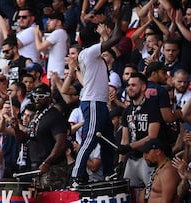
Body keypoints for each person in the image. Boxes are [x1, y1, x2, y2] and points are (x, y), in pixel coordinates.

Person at [71, 5, 123, 183]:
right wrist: (118, 17)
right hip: (93, 102)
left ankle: (108, 173)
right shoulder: (91, 52)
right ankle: (77, 176)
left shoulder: (90, 54)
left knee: (107, 140)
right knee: (91, 139)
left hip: (98, 102)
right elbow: (116, 38)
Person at [117, 72, 164, 202]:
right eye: (128, 85)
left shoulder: (152, 107)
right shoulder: (127, 111)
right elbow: (124, 139)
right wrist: (120, 162)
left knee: (152, 192)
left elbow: (152, 136)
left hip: (148, 158)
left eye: (133, 85)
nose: (129, 88)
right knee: (129, 195)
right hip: (132, 159)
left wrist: (129, 146)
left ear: (143, 87)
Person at [14, 83, 68, 189]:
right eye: (35, 96)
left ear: (49, 97)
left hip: (52, 167)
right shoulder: (35, 115)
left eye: (41, 97)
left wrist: (47, 162)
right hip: (37, 166)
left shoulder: (55, 116)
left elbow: (61, 143)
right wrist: (16, 127)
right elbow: (24, 139)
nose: (37, 99)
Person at [142, 138, 181, 203]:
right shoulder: (159, 167)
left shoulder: (168, 172)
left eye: (147, 153)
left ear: (158, 152)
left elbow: (167, 201)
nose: (144, 156)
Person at [34, 11, 68, 80]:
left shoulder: (58, 32)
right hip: (55, 73)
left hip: (57, 73)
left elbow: (39, 48)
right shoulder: (61, 33)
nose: (47, 22)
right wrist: (39, 38)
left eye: (51, 20)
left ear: (59, 22)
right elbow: (44, 52)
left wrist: (35, 34)